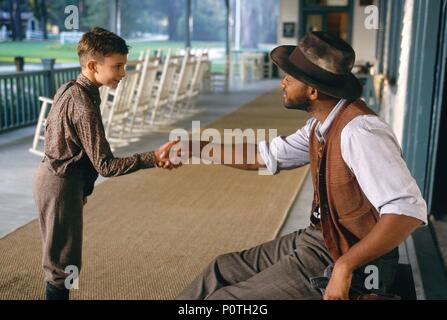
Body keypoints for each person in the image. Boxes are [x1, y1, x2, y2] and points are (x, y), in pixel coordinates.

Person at [175, 31, 427, 300]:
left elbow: (407, 211)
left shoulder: (360, 132)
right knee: (221, 269)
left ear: (312, 90)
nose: (282, 83)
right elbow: (266, 155)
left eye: (289, 77)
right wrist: (197, 147)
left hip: (351, 257)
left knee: (225, 302)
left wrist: (344, 267)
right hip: (319, 238)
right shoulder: (321, 123)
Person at [32, 27, 178, 300]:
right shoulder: (84, 104)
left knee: (64, 262)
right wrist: (154, 158)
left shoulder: (71, 88)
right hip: (60, 185)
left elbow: (71, 148)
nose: (123, 74)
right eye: (117, 66)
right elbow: (106, 165)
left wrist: (83, 189)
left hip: (59, 181)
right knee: (63, 267)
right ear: (92, 65)